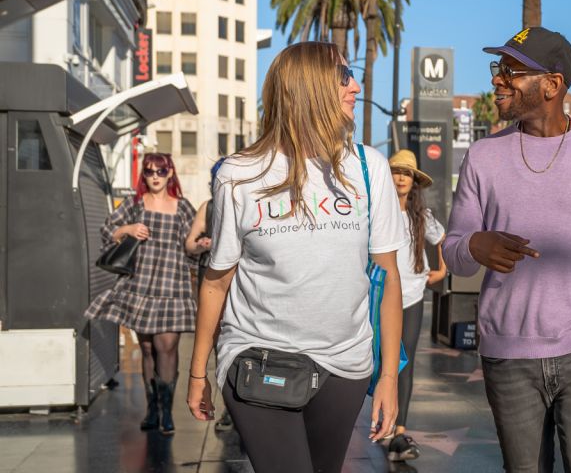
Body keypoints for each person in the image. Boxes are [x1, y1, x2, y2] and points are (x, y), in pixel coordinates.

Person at [187, 41, 407, 473]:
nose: (356, 85)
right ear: (309, 87)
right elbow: (217, 280)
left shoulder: (368, 167)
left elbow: (389, 275)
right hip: (259, 359)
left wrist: (388, 378)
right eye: (344, 75)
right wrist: (197, 374)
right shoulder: (239, 175)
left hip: (347, 365)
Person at [442, 27, 571, 473]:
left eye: (511, 71)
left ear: (552, 86)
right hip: (508, 355)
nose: (498, 80)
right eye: (498, 69)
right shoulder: (482, 156)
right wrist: (476, 245)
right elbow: (453, 251)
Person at [86, 153, 197, 435]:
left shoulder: (183, 207)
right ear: (144, 175)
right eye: (149, 171)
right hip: (141, 285)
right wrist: (128, 228)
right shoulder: (135, 204)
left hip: (173, 285)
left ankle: (167, 413)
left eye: (161, 170)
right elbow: (107, 230)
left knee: (166, 348)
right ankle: (153, 410)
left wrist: (201, 244)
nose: (155, 176)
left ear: (170, 173)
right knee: (147, 348)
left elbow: (191, 244)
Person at [386, 149, 448, 462]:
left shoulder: (420, 215)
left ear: (414, 181)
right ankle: (379, 420)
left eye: (406, 173)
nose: (400, 177)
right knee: (374, 362)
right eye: (396, 171)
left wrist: (441, 270)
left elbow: (442, 239)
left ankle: (399, 432)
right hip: (381, 296)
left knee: (404, 363)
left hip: (412, 295)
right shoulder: (377, 212)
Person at [184, 157, 233, 432]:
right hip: (212, 278)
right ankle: (227, 405)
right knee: (216, 341)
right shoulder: (210, 207)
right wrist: (203, 244)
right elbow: (190, 244)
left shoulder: (247, 202)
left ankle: (235, 403)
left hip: (239, 281)